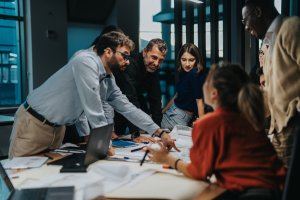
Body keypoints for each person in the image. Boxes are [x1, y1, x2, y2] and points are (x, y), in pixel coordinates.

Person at [9, 31, 177, 158]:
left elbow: (127, 107)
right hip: (34, 124)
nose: (127, 61)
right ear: (109, 52)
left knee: (45, 179)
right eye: (124, 56)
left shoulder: (107, 76)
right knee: (20, 178)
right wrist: (104, 142)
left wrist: (160, 132)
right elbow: (94, 108)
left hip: (57, 129)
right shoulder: (85, 61)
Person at [147, 63, 286, 200]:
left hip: (249, 194)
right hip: (279, 190)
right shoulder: (250, 117)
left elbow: (199, 172)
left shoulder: (210, 123)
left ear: (214, 93)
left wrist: (167, 158)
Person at [242, 0, 300, 167]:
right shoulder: (268, 44)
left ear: (258, 12)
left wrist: (296, 115)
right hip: (278, 129)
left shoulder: (290, 28)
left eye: (245, 21)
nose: (246, 27)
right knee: (278, 185)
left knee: (291, 188)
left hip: (292, 126)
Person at [112, 38, 167, 142]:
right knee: (117, 136)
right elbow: (130, 98)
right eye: (154, 57)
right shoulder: (130, 64)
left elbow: (155, 99)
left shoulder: (153, 67)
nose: (156, 63)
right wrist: (136, 134)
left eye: (160, 60)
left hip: (134, 103)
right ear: (145, 51)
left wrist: (157, 132)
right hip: (116, 106)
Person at [161, 43, 206, 130]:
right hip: (173, 110)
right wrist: (164, 111)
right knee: (150, 120)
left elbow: (200, 102)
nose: (187, 64)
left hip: (180, 116)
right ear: (179, 59)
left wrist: (202, 126)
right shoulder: (185, 72)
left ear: (197, 60)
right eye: (184, 60)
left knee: (148, 124)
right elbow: (177, 95)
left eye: (191, 60)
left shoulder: (194, 74)